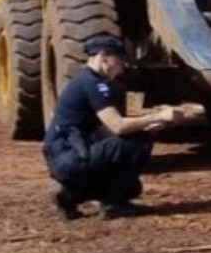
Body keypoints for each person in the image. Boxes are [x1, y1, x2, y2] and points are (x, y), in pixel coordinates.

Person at [43, 36, 188, 220]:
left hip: (65, 156)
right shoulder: (93, 84)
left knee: (132, 180)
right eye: (120, 61)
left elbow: (107, 129)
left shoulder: (84, 80)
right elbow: (118, 126)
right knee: (138, 143)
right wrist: (159, 116)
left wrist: (146, 125)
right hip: (71, 157)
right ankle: (114, 204)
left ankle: (71, 195)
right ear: (104, 57)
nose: (121, 68)